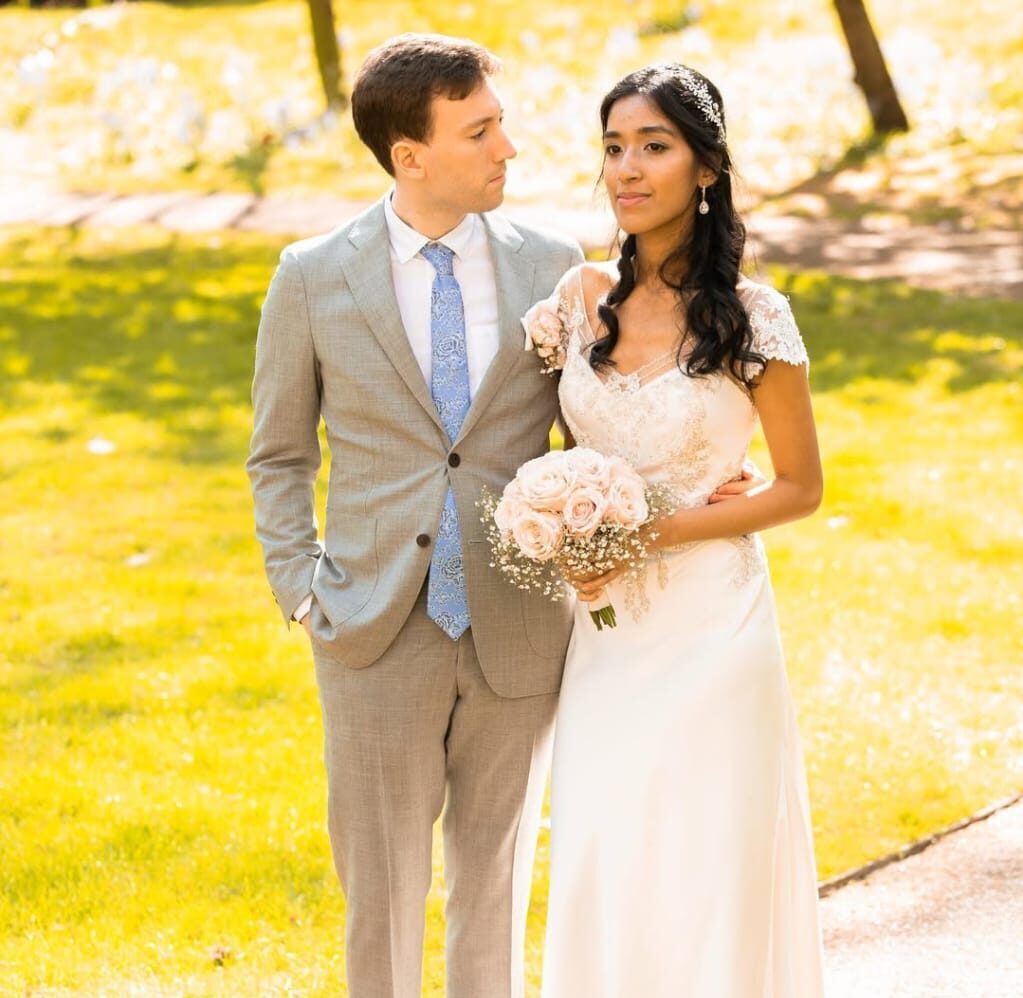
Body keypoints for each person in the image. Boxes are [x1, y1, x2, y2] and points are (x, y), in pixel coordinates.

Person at [245, 33, 586, 998]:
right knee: (382, 893)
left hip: (518, 625)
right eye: (480, 131)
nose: (506, 148)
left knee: (497, 882)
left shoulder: (553, 266)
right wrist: (299, 589)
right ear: (411, 155)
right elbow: (278, 453)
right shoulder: (311, 275)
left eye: (502, 124)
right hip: (371, 626)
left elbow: (585, 426)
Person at [522, 64, 826, 997]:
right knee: (605, 840)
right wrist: (558, 523)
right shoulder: (575, 303)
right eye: (613, 147)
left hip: (712, 624)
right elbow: (560, 450)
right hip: (604, 628)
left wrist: (658, 531)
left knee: (702, 852)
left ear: (704, 169)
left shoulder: (754, 317)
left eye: (653, 147)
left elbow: (801, 488)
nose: (627, 167)